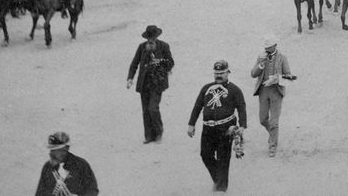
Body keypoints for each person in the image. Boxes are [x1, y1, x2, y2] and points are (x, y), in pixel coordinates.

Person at [188, 60, 247, 193]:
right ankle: (218, 180)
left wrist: (242, 125)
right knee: (205, 155)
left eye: (221, 73)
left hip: (226, 129)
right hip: (208, 129)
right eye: (216, 73)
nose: (218, 75)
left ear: (228, 73)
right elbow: (197, 106)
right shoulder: (206, 88)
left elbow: (241, 108)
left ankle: (221, 188)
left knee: (223, 158)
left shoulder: (235, 90)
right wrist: (191, 124)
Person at [127, 25, 174, 144]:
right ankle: (149, 136)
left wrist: (160, 62)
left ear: (157, 37)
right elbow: (134, 63)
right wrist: (130, 78)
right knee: (145, 110)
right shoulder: (141, 47)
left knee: (153, 108)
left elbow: (171, 63)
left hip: (158, 82)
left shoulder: (164, 46)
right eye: (149, 38)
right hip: (144, 83)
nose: (151, 40)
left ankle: (159, 131)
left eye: (153, 38)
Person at [251, 35, 297, 157]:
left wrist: (276, 79)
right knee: (262, 119)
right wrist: (260, 65)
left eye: (269, 47)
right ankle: (273, 134)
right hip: (263, 92)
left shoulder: (282, 58)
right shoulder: (261, 57)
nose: (267, 50)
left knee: (274, 121)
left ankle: (272, 146)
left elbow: (289, 76)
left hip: (276, 92)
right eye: (266, 47)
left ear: (275, 46)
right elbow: (253, 74)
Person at [34, 132, 99, 196]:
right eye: (52, 150)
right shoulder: (47, 167)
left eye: (56, 150)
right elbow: (40, 193)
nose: (52, 153)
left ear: (65, 149)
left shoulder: (81, 165)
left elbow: (92, 190)